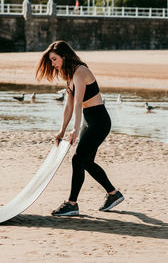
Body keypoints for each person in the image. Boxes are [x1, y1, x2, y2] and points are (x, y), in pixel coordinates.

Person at [35, 41, 124, 216]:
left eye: (54, 59)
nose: (53, 64)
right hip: (89, 121)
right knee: (86, 161)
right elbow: (68, 107)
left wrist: (75, 129)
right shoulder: (69, 75)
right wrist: (61, 130)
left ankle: (72, 203)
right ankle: (113, 194)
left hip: (99, 121)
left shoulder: (80, 72)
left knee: (78, 160)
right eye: (51, 61)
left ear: (64, 56)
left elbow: (78, 103)